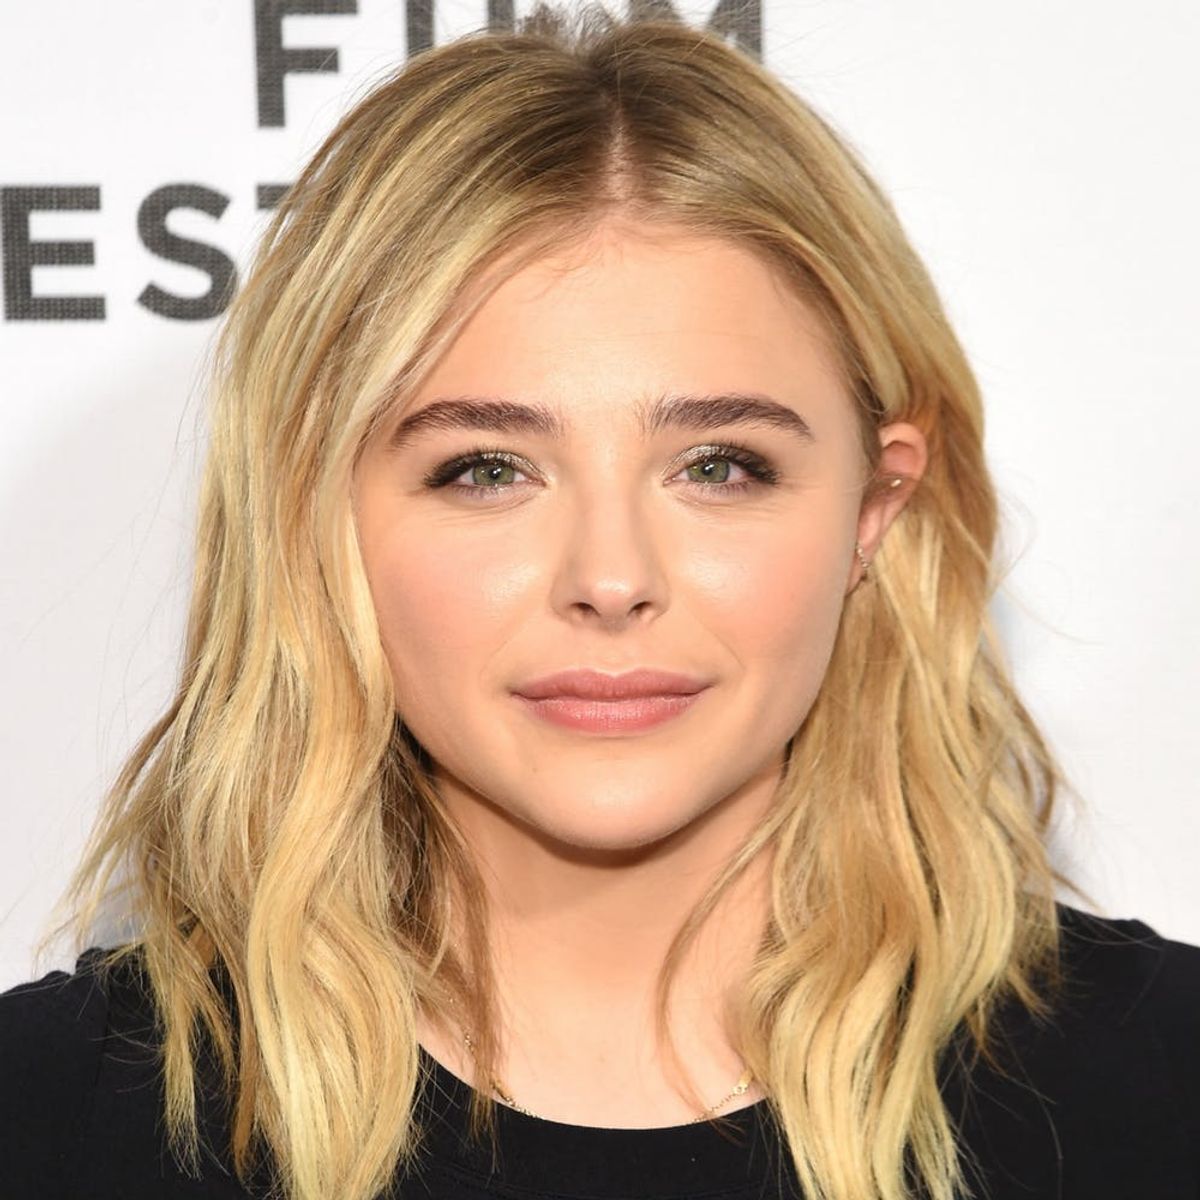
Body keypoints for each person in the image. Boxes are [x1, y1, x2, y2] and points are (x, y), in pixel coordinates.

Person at [2, 4, 1197, 1199]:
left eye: (720, 466)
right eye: (487, 470)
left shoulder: (1163, 1086)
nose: (612, 579)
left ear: (873, 510)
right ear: (314, 517)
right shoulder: (48, 1117)